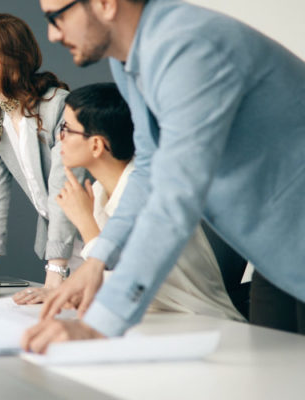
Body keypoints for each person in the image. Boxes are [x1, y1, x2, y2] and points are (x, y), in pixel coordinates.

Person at [23, 0, 305, 353]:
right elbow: (149, 166)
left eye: (56, 17)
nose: (52, 33)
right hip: (276, 249)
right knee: (272, 375)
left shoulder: (187, 47)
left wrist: (103, 322)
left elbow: (176, 195)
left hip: (292, 234)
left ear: (105, 4)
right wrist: (97, 261)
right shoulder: (131, 63)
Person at [54, 82, 244, 321]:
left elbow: (122, 286)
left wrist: (86, 224)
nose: (59, 137)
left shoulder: (146, 196)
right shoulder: (102, 191)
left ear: (96, 145)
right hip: (154, 320)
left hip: (201, 322)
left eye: (66, 129)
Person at [0, 13, 86, 302]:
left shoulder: (57, 106)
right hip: (65, 252)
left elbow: (63, 190)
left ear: (1, 56)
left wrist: (55, 276)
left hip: (101, 242)